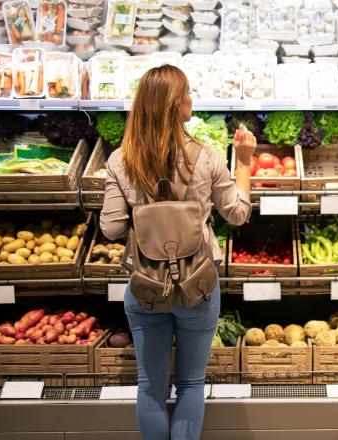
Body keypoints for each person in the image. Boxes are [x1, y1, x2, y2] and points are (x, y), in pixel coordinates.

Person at [100, 64, 256, 440]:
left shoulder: (121, 161)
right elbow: (237, 214)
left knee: (150, 387)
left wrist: (145, 218)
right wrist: (246, 162)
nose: (191, 99)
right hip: (197, 285)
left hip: (146, 287)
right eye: (186, 94)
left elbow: (111, 228)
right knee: (190, 383)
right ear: (174, 106)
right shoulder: (205, 156)